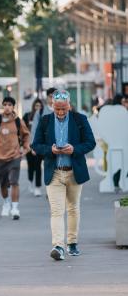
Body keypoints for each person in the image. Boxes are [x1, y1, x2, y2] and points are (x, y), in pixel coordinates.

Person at [32, 89, 96, 261]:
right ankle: (58, 246)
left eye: (63, 109)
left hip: (74, 172)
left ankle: (72, 243)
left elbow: (91, 142)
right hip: (54, 173)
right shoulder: (45, 121)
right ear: (52, 105)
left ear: (69, 105)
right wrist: (50, 150)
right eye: (57, 108)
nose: (60, 112)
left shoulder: (80, 119)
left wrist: (75, 149)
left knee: (73, 208)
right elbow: (36, 145)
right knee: (57, 211)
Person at [0, 96, 30, 220]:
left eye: (10, 105)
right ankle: (6, 203)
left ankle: (15, 208)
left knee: (14, 182)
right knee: (3, 184)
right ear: (2, 106)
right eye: (5, 105)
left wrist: (25, 149)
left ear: (13, 107)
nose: (7, 107)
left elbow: (26, 135)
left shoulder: (18, 121)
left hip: (14, 156)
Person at [23, 98, 44, 196]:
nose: (38, 108)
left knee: (38, 166)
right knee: (31, 166)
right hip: (28, 145)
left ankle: (38, 187)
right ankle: (30, 182)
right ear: (33, 106)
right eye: (36, 106)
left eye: (39, 106)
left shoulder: (43, 117)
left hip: (39, 146)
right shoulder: (27, 116)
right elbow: (22, 130)